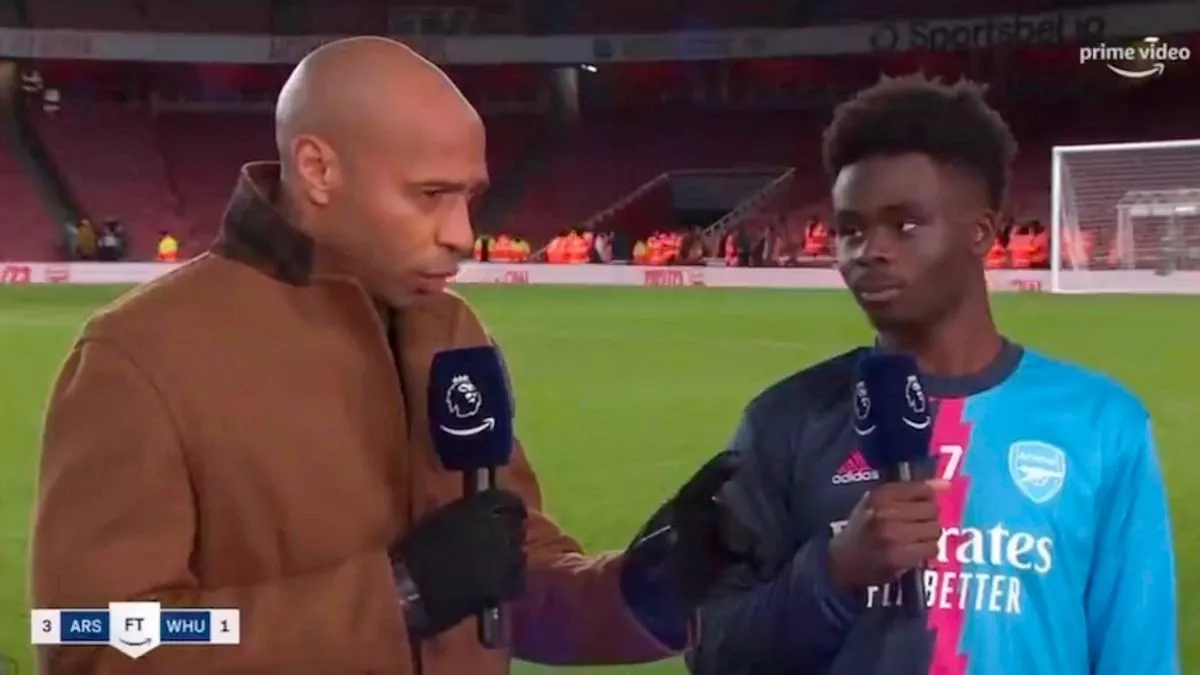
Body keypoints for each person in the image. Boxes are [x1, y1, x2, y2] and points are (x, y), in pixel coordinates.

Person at [31, 37, 752, 675]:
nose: (462, 233)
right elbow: (90, 636)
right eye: (430, 194)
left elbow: (499, 573)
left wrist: (643, 588)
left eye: (468, 197)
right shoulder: (138, 356)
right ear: (318, 170)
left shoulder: (451, 330)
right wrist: (393, 596)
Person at [686, 74, 1178, 675]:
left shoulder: (1102, 424)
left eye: (905, 225)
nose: (869, 250)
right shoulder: (784, 422)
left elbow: (1138, 655)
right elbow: (713, 651)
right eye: (851, 230)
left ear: (982, 232)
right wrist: (836, 572)